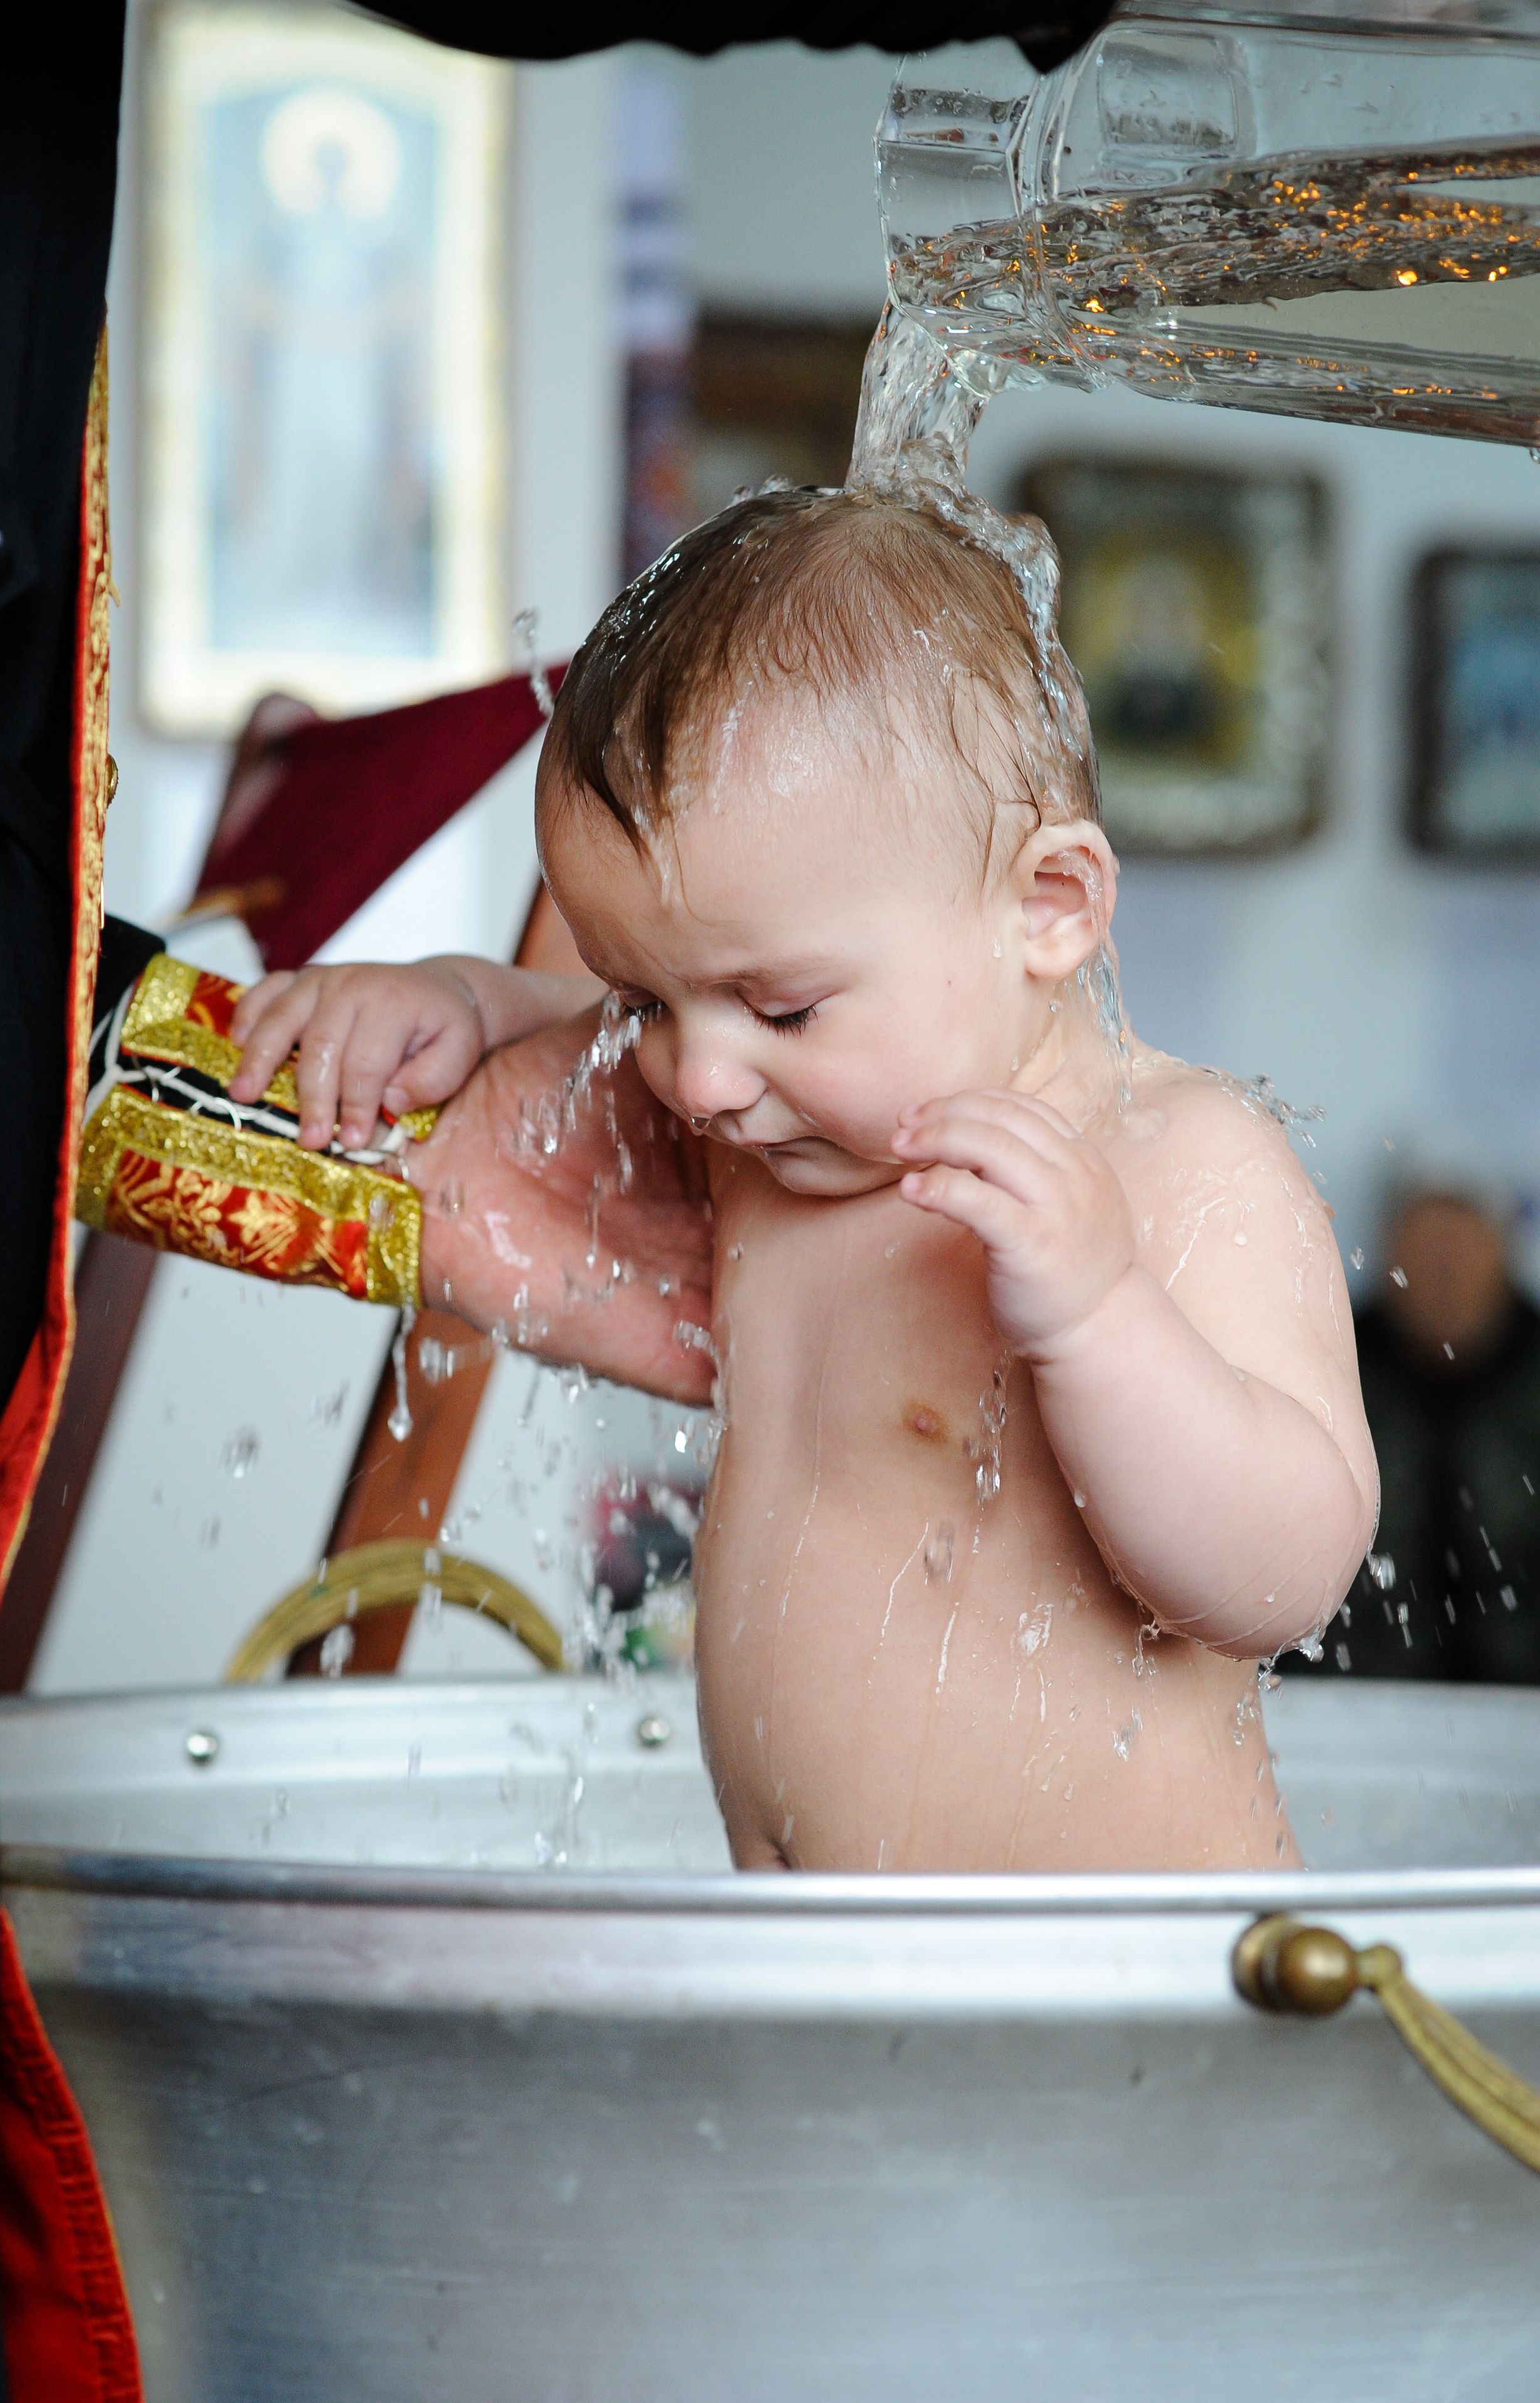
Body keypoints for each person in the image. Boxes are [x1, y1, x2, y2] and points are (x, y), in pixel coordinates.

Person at [230, 484, 1376, 1873]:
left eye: (776, 1011)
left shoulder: (1176, 1163)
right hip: (816, 1965)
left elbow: (1281, 1572)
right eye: (644, 997)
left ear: (1047, 908)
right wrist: (463, 1003)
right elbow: (582, 1045)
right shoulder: (770, 1124)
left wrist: (1098, 1318)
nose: (696, 1081)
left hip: (1104, 1990)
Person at [1293, 1186, 1540, 1683]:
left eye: (1464, 1242)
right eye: (1427, 1242)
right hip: (1355, 1702)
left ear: (1504, 1253)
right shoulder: (1327, 1373)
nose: (1446, 1266)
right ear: (1388, 1254)